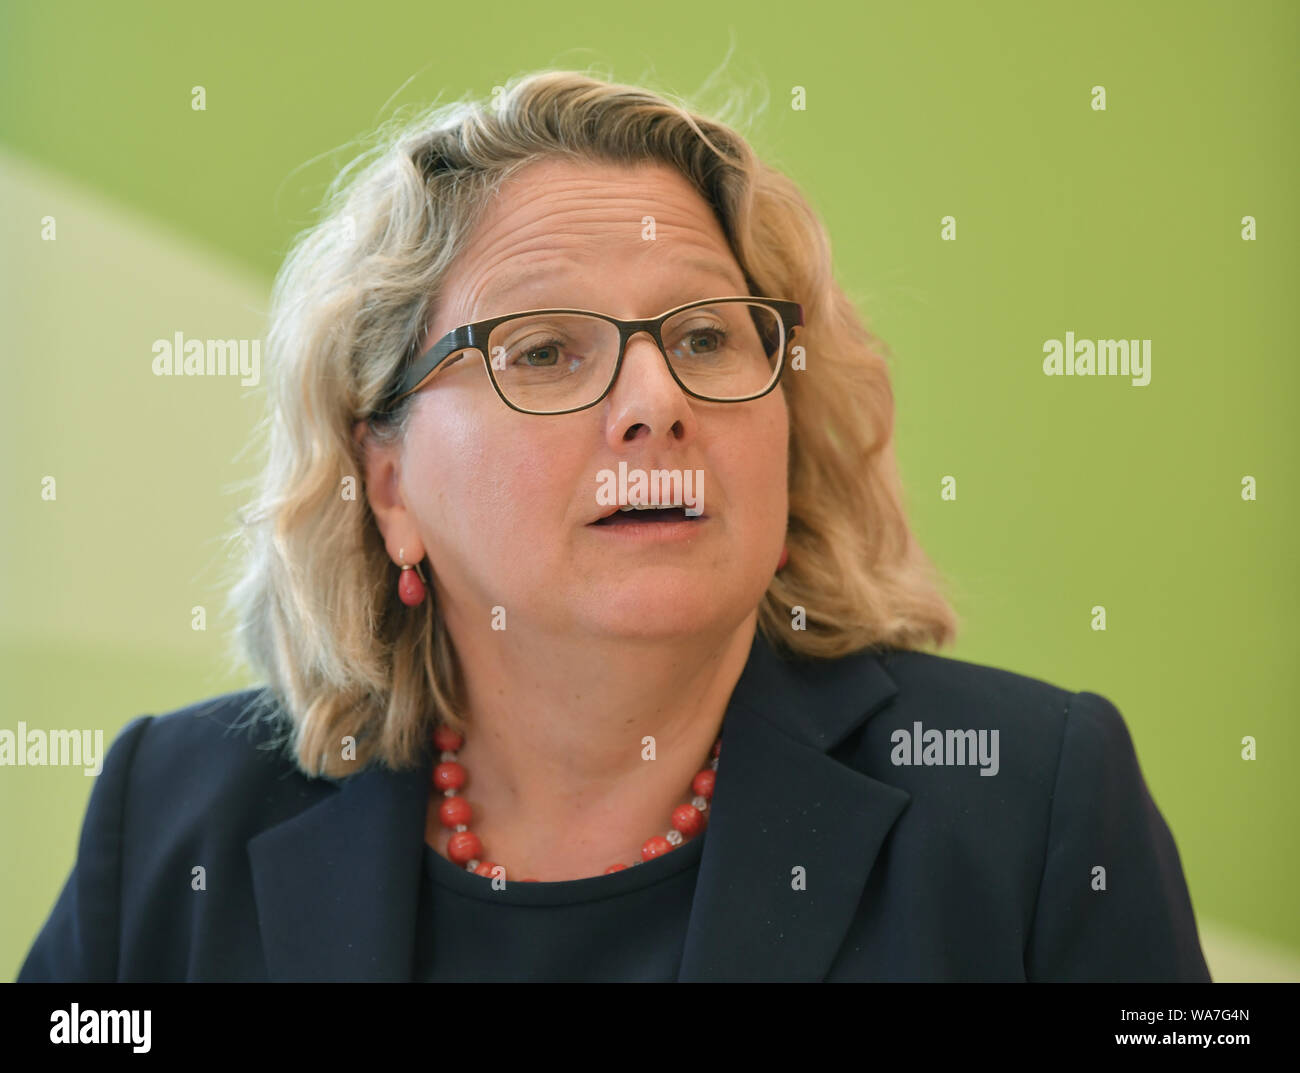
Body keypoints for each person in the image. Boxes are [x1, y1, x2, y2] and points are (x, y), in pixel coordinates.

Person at [16, 70, 1211, 982]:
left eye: (704, 338)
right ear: (387, 484)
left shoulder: (1032, 800)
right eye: (543, 351)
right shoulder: (177, 813)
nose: (657, 404)